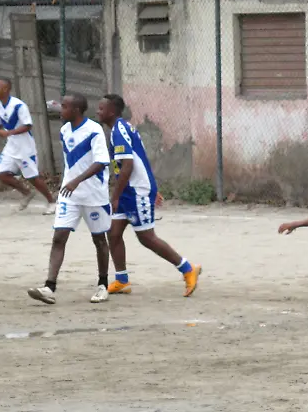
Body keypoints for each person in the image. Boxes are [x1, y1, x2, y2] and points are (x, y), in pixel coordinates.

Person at [99, 93, 202, 297]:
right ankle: (122, 280)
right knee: (113, 233)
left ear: (112, 111)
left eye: (101, 109)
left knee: (146, 237)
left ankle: (188, 269)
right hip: (129, 190)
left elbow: (128, 165)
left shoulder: (119, 131)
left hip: (135, 191)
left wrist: (116, 196)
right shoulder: (120, 129)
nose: (97, 111)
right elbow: (140, 160)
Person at [28, 94, 112, 305]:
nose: (60, 109)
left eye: (64, 107)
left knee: (99, 240)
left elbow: (102, 162)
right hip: (70, 196)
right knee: (59, 237)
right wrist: (69, 182)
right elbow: (72, 162)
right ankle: (49, 286)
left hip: (94, 195)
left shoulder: (94, 131)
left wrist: (77, 180)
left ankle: (103, 284)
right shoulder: (64, 130)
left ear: (75, 110)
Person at [0, 77, 56, 214]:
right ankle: (26, 193)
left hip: (25, 148)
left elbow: (28, 125)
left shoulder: (19, 106)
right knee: (1, 174)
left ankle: (52, 201)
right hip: (11, 146)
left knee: (32, 177)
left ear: (6, 89)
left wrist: (9, 133)